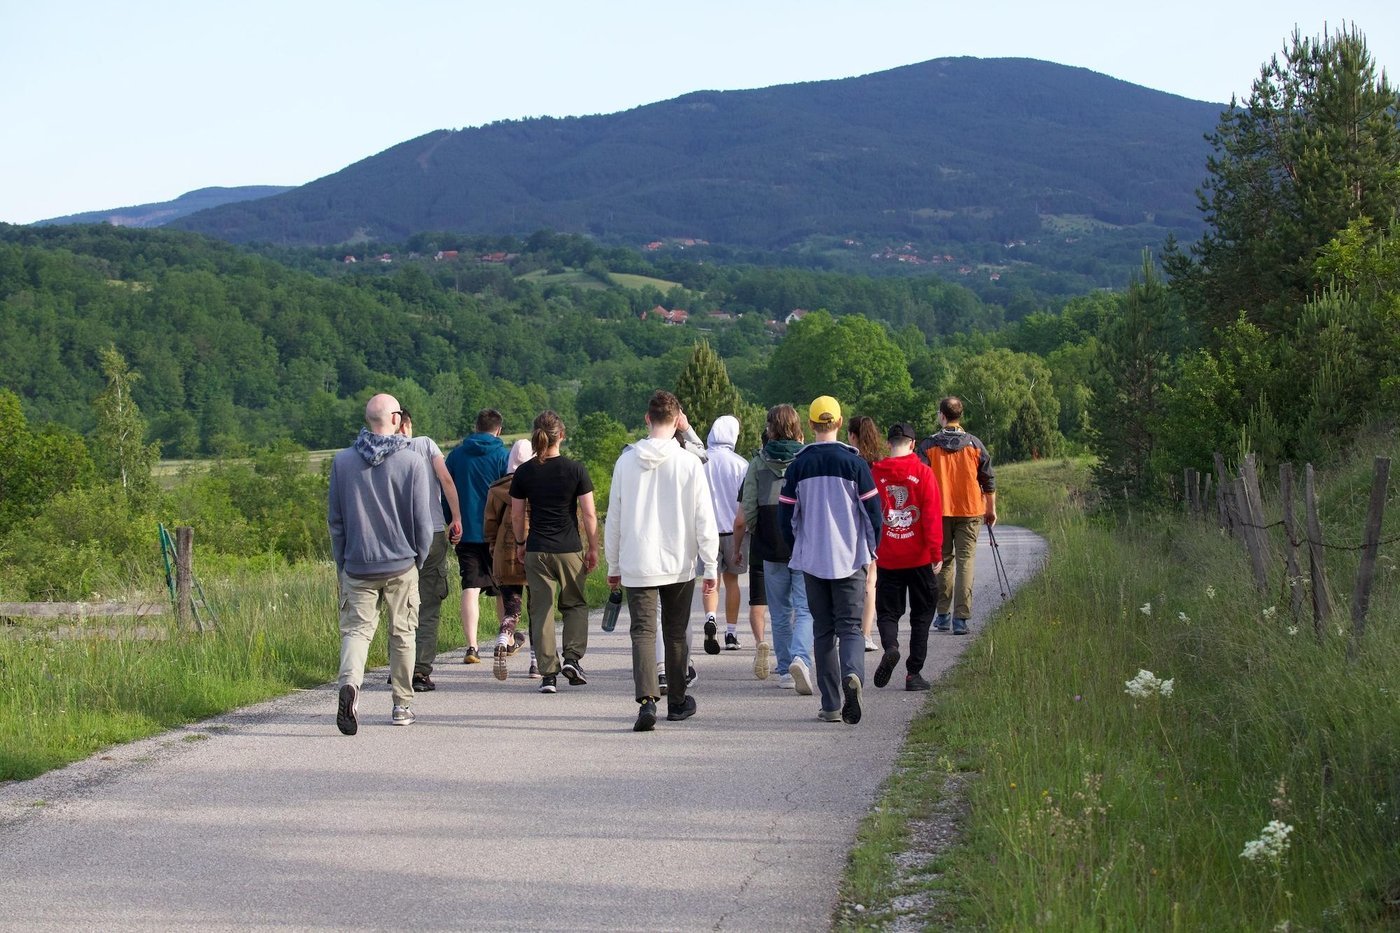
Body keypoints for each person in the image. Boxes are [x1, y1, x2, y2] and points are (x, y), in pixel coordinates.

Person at [606, 390, 719, 731]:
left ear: (647, 419)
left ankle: (647, 702)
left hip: (637, 559)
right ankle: (678, 701)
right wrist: (710, 564)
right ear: (677, 420)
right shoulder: (688, 463)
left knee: (642, 632)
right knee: (675, 632)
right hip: (678, 560)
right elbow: (704, 517)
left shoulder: (625, 461)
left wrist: (613, 565)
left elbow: (615, 517)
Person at [328, 393, 434, 733]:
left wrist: (342, 563)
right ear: (395, 419)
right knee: (403, 633)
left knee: (357, 632)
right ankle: (401, 705)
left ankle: (350, 685)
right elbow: (422, 521)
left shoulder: (342, 462)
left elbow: (336, 521)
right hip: (401, 562)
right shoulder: (412, 462)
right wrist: (418, 557)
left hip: (357, 563)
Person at [779, 395, 882, 725]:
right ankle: (853, 677)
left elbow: (786, 516)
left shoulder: (798, 465)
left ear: (810, 426)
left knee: (823, 631)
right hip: (850, 558)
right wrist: (871, 547)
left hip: (813, 560)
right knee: (851, 628)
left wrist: (799, 545)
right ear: (839, 423)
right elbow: (873, 513)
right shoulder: (855, 464)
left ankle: (832, 705)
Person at [510, 411, 599, 694]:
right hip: (569, 548)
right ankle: (572, 658)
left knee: (542, 610)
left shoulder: (524, 471)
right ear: (562, 435)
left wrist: (521, 543)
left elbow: (516, 514)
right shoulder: (575, 470)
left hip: (537, 548)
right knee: (574, 604)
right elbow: (588, 513)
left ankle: (548, 674)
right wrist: (593, 546)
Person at [735, 406, 813, 692]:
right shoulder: (805, 457)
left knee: (779, 611)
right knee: (804, 609)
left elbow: (749, 506)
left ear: (771, 428)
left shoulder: (758, 461)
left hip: (769, 540)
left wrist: (757, 532)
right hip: (802, 539)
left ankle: (783, 669)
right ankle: (801, 658)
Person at [870, 422, 944, 692]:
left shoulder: (875, 473)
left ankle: (891, 646)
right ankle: (914, 674)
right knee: (922, 614)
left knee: (888, 612)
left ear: (889, 443)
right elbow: (932, 517)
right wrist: (937, 552)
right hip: (920, 558)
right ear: (913, 444)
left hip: (888, 557)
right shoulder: (923, 473)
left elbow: (868, 513)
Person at [918, 396, 997, 636]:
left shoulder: (928, 445)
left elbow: (920, 478)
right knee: (966, 561)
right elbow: (988, 479)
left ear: (942, 415)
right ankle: (961, 619)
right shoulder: (974, 444)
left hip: (939, 511)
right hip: (971, 509)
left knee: (942, 562)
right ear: (959, 415)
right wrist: (990, 509)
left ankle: (942, 615)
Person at [396, 410, 463, 692]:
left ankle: (399, 668)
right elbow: (446, 480)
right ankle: (420, 671)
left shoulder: (380, 452)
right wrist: (456, 517)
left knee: (399, 604)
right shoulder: (425, 443)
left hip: (398, 535)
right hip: (432, 532)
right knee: (429, 603)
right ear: (407, 424)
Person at [445, 408, 509, 665]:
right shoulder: (502, 455)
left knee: (470, 586)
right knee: (504, 586)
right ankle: (504, 639)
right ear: (498, 429)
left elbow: (445, 489)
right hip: (497, 532)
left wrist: (450, 520)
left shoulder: (456, 455)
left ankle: (472, 646)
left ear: (476, 426)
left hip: (466, 530)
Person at [483, 439, 536, 681]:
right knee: (537, 610)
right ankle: (536, 663)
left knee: (511, 608)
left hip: (505, 554)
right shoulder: (538, 485)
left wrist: (494, 547)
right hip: (534, 550)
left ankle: (504, 637)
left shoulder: (496, 488)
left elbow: (490, 525)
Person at [701, 414, 748, 654]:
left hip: (707, 531)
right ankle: (731, 632)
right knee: (732, 582)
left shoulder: (702, 461)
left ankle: (711, 617)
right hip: (733, 530)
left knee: (711, 580)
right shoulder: (740, 464)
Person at [847, 415, 888, 653]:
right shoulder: (879, 463)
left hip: (851, 526)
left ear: (853, 436)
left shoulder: (851, 461)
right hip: (873, 525)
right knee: (870, 581)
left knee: (849, 580)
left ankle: (848, 630)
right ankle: (865, 633)